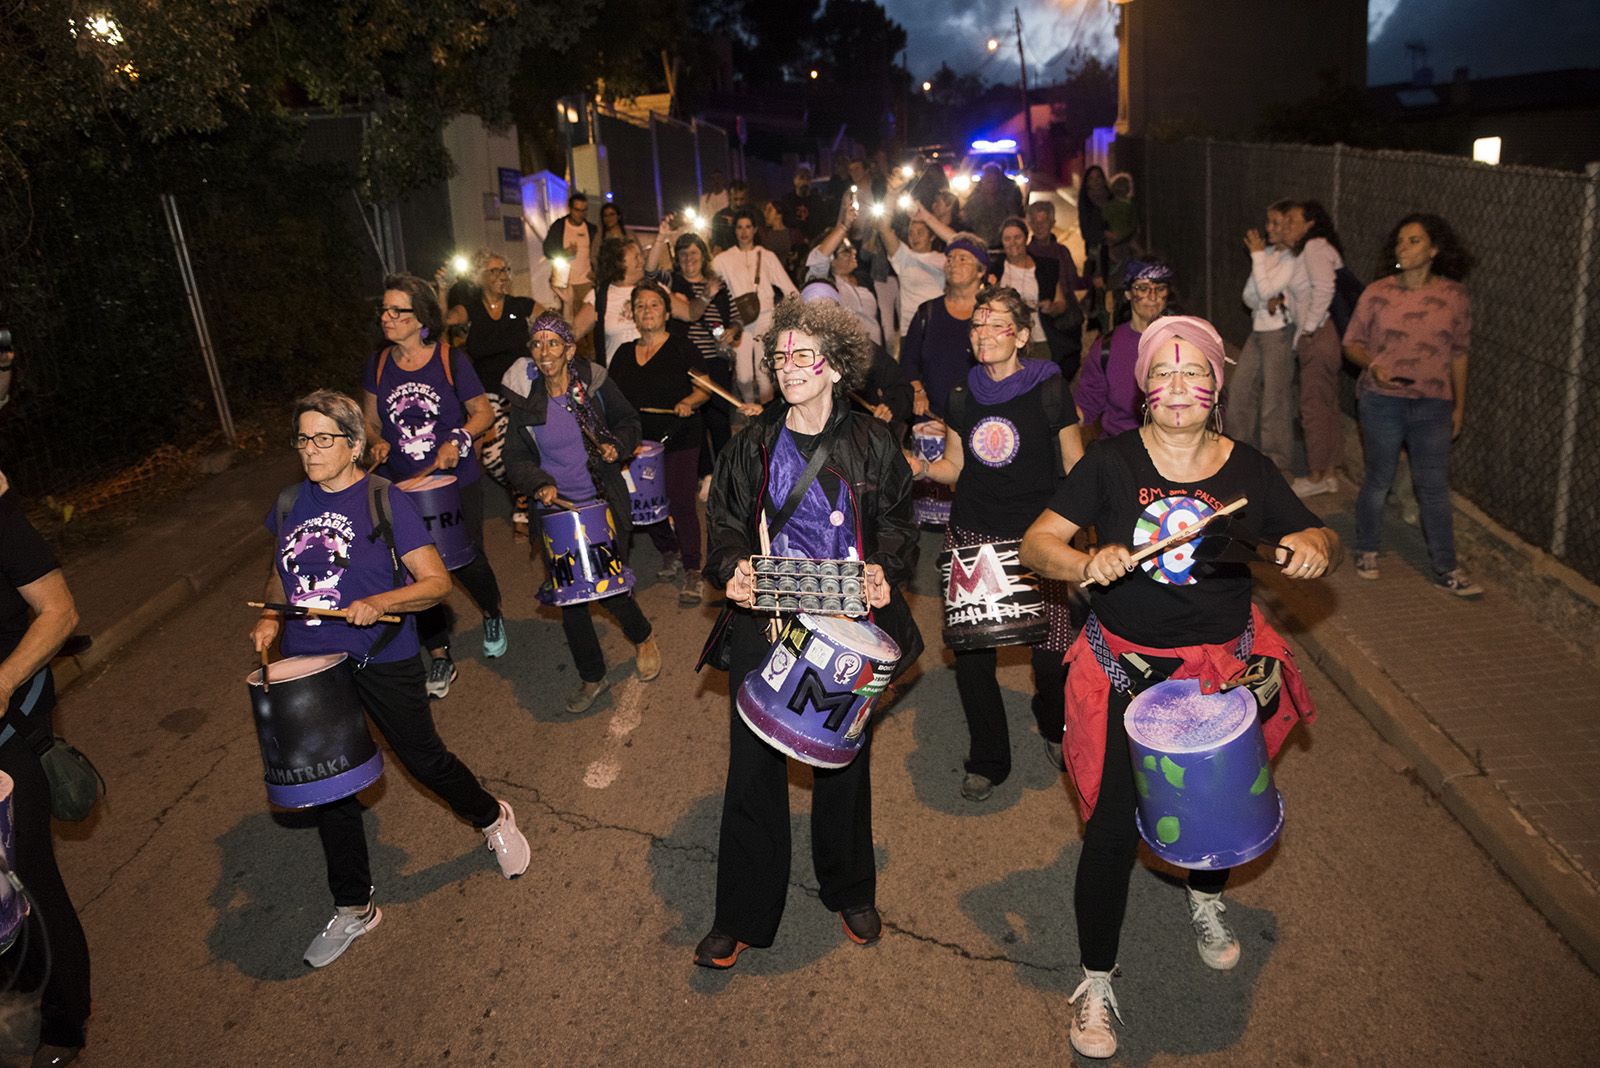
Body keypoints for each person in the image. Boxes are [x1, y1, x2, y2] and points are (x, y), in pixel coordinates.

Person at [1018, 316, 1338, 1059]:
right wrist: (1082, 565)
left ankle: (1205, 898)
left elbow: (1319, 535)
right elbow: (1039, 540)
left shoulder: (1248, 470)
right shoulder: (1110, 463)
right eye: (1162, 373)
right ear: (1145, 391)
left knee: (1214, 809)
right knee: (1108, 831)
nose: (1178, 387)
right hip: (1129, 672)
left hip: (1219, 673)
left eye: (1194, 373)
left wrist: (1312, 550)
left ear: (1215, 389)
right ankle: (1097, 982)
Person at [255, 390, 530, 968]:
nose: (310, 450)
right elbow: (283, 572)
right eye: (303, 439)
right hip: (313, 666)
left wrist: (379, 601)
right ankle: (355, 906)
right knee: (331, 785)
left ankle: (490, 817)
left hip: (381, 655)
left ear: (354, 445)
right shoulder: (287, 502)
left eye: (324, 438)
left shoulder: (385, 500)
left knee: (424, 759)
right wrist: (267, 616)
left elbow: (435, 584)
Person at [696, 296, 918, 969]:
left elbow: (902, 525)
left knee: (843, 765)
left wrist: (886, 571)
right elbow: (728, 525)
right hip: (769, 626)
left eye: (802, 356)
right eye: (780, 357)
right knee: (753, 769)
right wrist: (732, 569)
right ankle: (741, 913)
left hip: (849, 628)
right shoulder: (752, 446)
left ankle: (849, 887)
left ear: (833, 366)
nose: (788, 368)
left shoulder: (875, 443)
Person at [906, 286, 1083, 800]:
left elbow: (1074, 465)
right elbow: (957, 466)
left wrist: (1080, 533)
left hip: (1037, 542)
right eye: (976, 324)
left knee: (1052, 659)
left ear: (1022, 335)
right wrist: (918, 467)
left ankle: (1053, 725)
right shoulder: (962, 393)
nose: (981, 333)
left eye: (995, 323)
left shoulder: (1049, 386)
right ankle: (989, 757)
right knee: (973, 657)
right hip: (975, 539)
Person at [501, 315, 663, 713]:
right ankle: (592, 676)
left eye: (553, 343)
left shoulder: (592, 385)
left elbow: (629, 422)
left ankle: (643, 638)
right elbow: (515, 456)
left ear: (570, 349)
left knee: (610, 591)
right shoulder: (526, 399)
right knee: (571, 602)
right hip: (556, 514)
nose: (545, 352)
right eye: (537, 344)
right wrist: (538, 483)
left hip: (600, 503)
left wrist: (617, 445)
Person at [362, 274, 507, 700]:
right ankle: (439, 652)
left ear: (420, 319)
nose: (386, 318)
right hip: (402, 486)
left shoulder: (450, 360)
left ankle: (492, 610)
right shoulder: (378, 364)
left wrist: (458, 440)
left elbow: (482, 414)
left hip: (454, 481)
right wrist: (376, 441)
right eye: (384, 310)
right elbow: (371, 421)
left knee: (464, 558)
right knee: (416, 571)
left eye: (396, 311)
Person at [0, 484, 93, 1065]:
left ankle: (64, 1023)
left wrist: (4, 679)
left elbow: (60, 612)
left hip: (10, 730)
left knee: (28, 875)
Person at [1344, 213, 1482, 597]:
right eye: (1400, 241)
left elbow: (1459, 354)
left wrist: (1458, 407)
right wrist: (1373, 364)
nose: (1403, 247)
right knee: (1379, 478)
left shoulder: (1454, 296)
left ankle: (1446, 566)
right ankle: (1367, 547)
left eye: (1414, 241)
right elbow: (1351, 343)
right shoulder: (1377, 292)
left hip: (1432, 404)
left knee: (1433, 487)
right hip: (1382, 400)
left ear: (1434, 249)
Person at [608, 282, 722, 605]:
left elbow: (705, 389)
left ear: (667, 312)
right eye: (641, 305)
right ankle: (668, 550)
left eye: (654, 305)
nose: (647, 311)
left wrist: (689, 400)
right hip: (639, 443)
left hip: (680, 435)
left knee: (680, 500)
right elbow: (612, 398)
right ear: (632, 313)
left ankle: (692, 569)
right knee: (646, 501)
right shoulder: (623, 353)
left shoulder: (682, 347)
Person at [444, 249, 545, 539]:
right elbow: (441, 323)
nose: (502, 276)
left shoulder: (520, 305)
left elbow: (554, 320)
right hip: (485, 392)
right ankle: (521, 489)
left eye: (505, 270)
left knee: (526, 444)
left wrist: (563, 298)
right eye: (495, 271)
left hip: (521, 389)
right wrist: (442, 289)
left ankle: (526, 502)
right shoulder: (470, 309)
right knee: (491, 456)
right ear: (480, 278)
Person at [1225, 201, 1302, 472]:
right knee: (1239, 390)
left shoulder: (1292, 260)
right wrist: (1264, 300)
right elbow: (1250, 295)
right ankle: (1237, 450)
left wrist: (1258, 259)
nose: (1269, 228)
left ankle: (1276, 461)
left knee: (1274, 400)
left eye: (1276, 223)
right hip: (1258, 331)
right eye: (1268, 222)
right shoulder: (1267, 254)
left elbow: (1268, 288)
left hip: (1279, 333)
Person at [1283, 199, 1347, 497]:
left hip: (1320, 334)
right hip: (1325, 333)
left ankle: (1317, 474)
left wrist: (1308, 328)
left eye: (1294, 220)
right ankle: (1330, 472)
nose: (1288, 226)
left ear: (1310, 223)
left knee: (1312, 408)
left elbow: (1324, 288)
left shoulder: (1314, 246)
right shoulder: (1316, 248)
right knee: (1326, 405)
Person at [1075, 261, 1175, 440]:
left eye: (1160, 288)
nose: (1152, 296)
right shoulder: (1107, 347)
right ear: (1128, 293)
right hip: (1120, 449)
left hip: (1172, 449)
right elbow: (1086, 405)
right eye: (1142, 288)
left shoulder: (1182, 342)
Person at [667, 231, 742, 459]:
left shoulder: (717, 285)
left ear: (703, 256)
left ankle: (725, 472)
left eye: (694, 253)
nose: (689, 259)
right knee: (693, 421)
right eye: (683, 254)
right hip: (687, 364)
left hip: (716, 360)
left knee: (719, 420)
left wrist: (733, 331)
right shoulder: (672, 284)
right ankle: (703, 474)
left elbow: (736, 317)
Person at [901, 234, 989, 421]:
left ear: (981, 271)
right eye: (949, 259)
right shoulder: (928, 312)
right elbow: (909, 361)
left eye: (962, 259)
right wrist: (917, 391)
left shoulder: (991, 314)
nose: (952, 263)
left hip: (979, 419)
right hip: (931, 419)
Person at [711, 207, 799, 348]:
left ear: (755, 229)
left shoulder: (766, 256)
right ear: (734, 230)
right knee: (742, 369)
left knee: (764, 367)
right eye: (739, 227)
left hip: (766, 318)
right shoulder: (722, 260)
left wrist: (791, 320)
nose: (744, 232)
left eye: (748, 227)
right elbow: (708, 285)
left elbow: (790, 290)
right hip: (739, 322)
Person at [876, 203, 957, 350]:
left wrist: (927, 217)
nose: (915, 237)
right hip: (911, 331)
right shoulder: (904, 256)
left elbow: (961, 242)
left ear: (932, 236)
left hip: (938, 328)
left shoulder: (943, 259)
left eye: (920, 232)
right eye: (911, 233)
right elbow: (883, 228)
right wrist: (891, 195)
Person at [991, 216, 1068, 366]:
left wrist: (1051, 308)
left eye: (1017, 237)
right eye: (1007, 239)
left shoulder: (1045, 267)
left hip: (1039, 339)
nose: (1013, 243)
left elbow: (1062, 303)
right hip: (1007, 342)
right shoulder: (996, 269)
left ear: (1026, 238)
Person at [805, 203, 884, 347]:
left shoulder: (864, 280)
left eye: (852, 249)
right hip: (848, 356)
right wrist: (844, 226)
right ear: (831, 260)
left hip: (876, 355)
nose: (853, 253)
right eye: (846, 251)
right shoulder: (825, 284)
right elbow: (818, 258)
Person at [574, 237, 661, 366]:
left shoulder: (655, 290)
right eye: (636, 257)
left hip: (655, 375)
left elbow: (690, 313)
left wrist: (703, 297)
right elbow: (570, 335)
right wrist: (568, 303)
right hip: (617, 379)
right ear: (619, 264)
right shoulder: (599, 297)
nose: (642, 261)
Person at [1026, 199, 1086, 380]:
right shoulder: (1027, 253)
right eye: (1035, 222)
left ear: (1052, 223)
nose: (1039, 226)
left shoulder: (1062, 251)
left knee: (1069, 359)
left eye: (1043, 221)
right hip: (1041, 314)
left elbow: (1073, 281)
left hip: (1066, 314)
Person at [542, 191, 597, 317]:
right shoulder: (559, 226)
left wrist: (595, 272)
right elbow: (547, 250)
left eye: (584, 210)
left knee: (588, 318)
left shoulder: (591, 229)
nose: (581, 214)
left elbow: (597, 253)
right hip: (564, 281)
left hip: (586, 281)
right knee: (568, 317)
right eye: (577, 210)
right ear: (570, 209)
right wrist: (563, 253)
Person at [961, 163, 1025, 250]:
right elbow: (967, 224)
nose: (991, 184)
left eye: (994, 181)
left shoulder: (1007, 202)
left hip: (1002, 247)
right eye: (988, 180)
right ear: (983, 181)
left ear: (999, 182)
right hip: (979, 247)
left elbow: (1014, 221)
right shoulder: (973, 202)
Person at [779, 163, 828, 242]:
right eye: (801, 178)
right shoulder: (787, 200)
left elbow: (822, 223)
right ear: (795, 180)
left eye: (808, 178)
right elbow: (786, 222)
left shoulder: (817, 201)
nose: (805, 181)